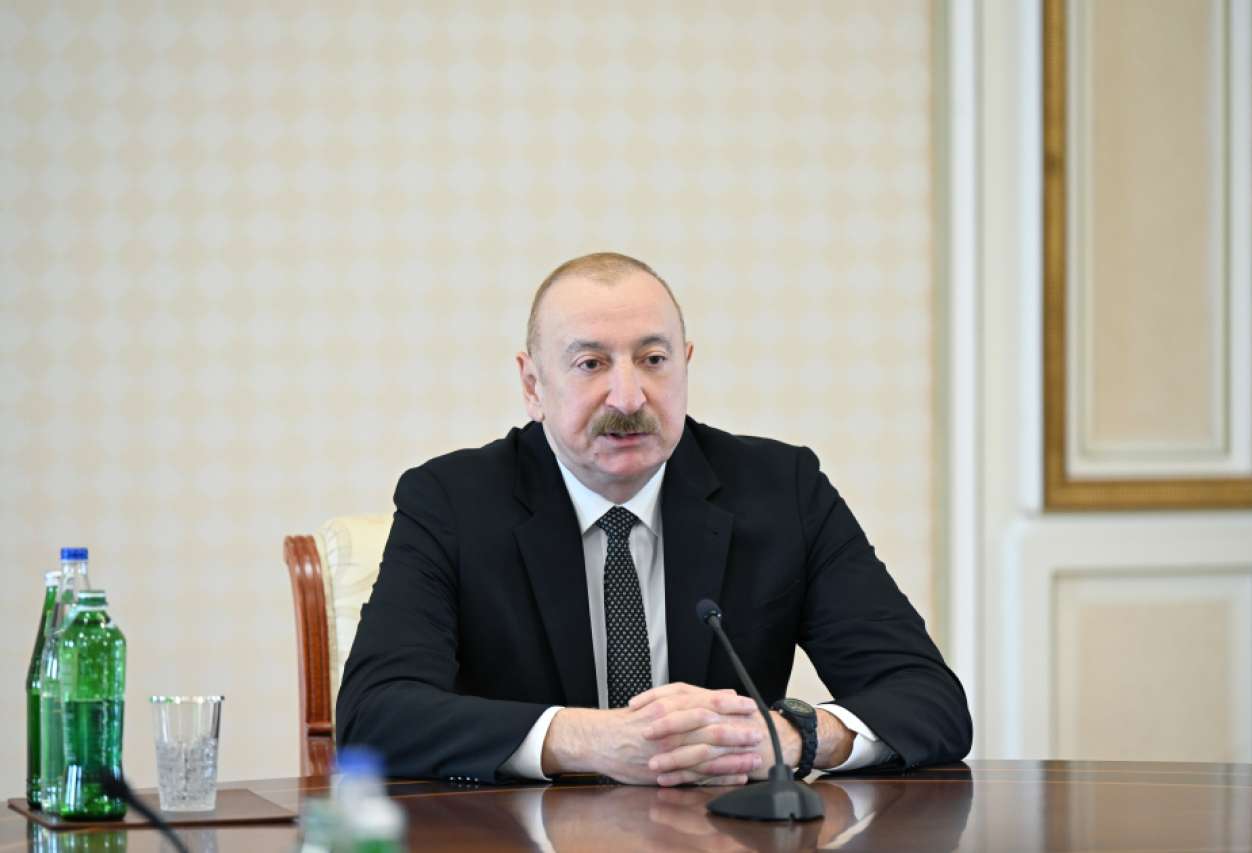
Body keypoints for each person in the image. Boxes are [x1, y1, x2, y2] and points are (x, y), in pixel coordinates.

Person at [336, 252, 971, 786]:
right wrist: (591, 740)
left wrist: (789, 737)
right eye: (591, 364)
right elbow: (374, 716)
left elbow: (928, 698)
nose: (629, 396)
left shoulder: (783, 490)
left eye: (653, 359)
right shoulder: (451, 500)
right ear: (532, 385)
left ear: (685, 363)